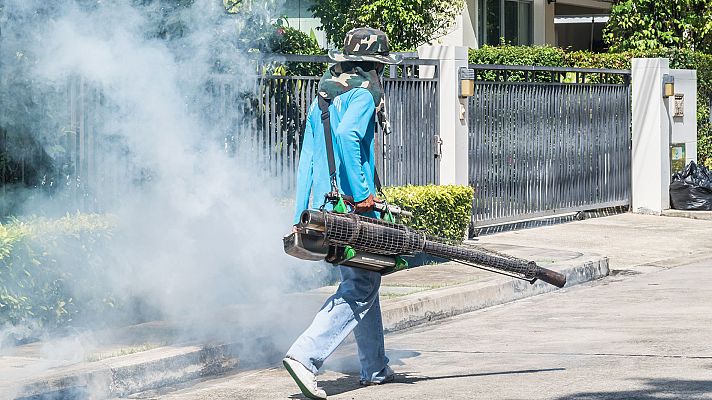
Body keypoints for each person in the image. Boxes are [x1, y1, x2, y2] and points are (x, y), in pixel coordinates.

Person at [282, 27, 402, 400]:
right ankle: (306, 356)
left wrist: (301, 210)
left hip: (323, 205)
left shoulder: (323, 93)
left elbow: (306, 158)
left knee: (367, 273)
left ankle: (376, 367)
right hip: (351, 205)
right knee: (360, 285)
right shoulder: (365, 93)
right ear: (374, 64)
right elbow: (350, 137)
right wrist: (365, 195)